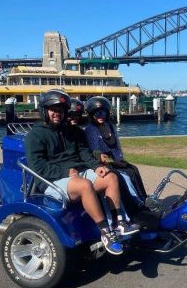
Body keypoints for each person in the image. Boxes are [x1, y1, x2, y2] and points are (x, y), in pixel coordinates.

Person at [25, 90, 139, 256]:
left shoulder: (72, 132)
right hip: (51, 181)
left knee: (111, 176)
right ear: (45, 111)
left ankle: (118, 223)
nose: (58, 113)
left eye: (61, 110)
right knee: (85, 186)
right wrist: (66, 171)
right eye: (53, 109)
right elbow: (38, 167)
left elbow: (84, 153)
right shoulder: (35, 136)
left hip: (78, 174)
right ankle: (106, 233)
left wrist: (95, 166)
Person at [84, 97, 148, 200]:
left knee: (133, 169)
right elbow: (94, 149)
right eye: (97, 113)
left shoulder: (109, 126)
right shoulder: (90, 129)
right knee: (127, 174)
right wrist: (108, 160)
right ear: (92, 114)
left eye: (103, 113)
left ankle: (144, 198)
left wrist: (119, 159)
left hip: (115, 160)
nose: (101, 116)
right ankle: (135, 200)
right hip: (103, 163)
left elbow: (116, 146)